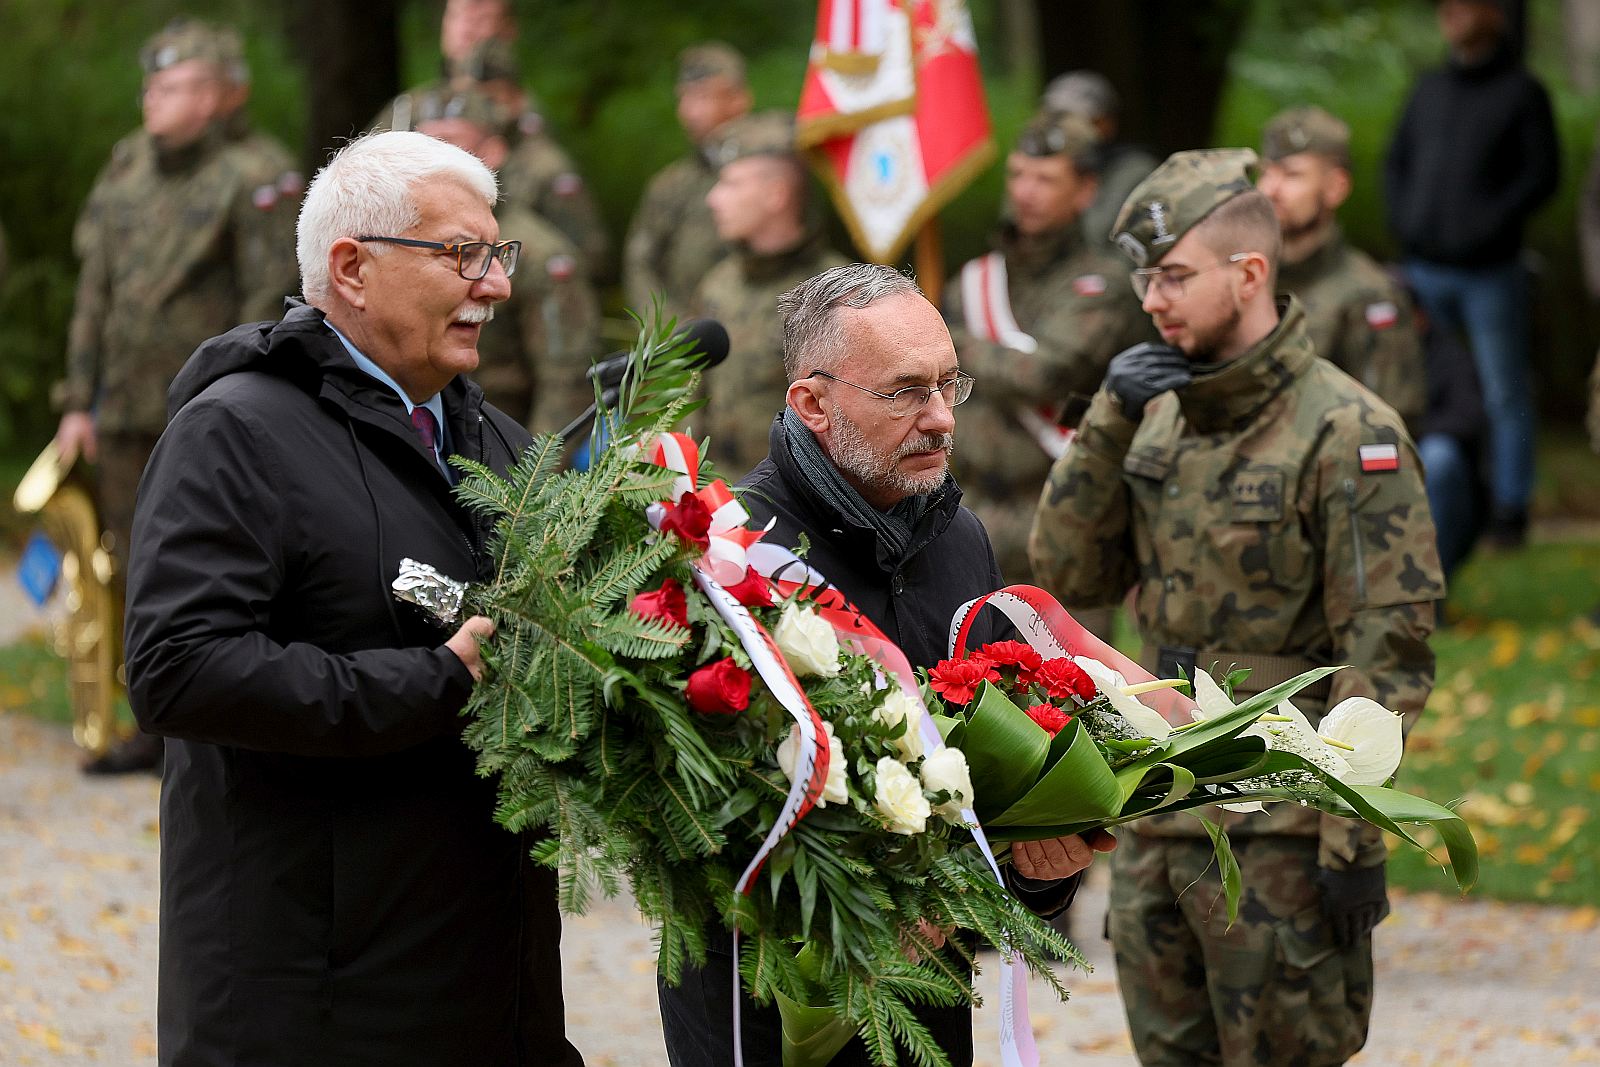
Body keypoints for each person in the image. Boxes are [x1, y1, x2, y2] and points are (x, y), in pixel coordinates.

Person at [121, 130, 583, 1066]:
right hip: (309, 997)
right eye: (463, 254)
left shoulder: (499, 443)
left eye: (498, 253)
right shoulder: (235, 432)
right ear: (352, 269)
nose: (497, 284)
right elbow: (176, 670)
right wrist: (436, 681)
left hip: (490, 990)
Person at [1030, 150, 1444, 1066]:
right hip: (1158, 809)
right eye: (1144, 279)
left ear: (1249, 272)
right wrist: (1106, 421)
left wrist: (1352, 836)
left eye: (1175, 276)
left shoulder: (1347, 432)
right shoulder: (1154, 412)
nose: (1153, 300)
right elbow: (1066, 573)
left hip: (1280, 829)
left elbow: (1388, 646)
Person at [659, 262, 1114, 1067]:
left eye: (948, 384)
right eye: (905, 392)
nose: (940, 417)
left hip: (925, 1004)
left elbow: (980, 781)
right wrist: (867, 898)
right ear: (813, 402)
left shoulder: (958, 536)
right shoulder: (730, 552)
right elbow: (688, 820)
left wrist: (1042, 863)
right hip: (767, 1007)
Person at [55, 19, 301, 775]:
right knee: (135, 562)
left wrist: (243, 395)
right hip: (126, 407)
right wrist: (77, 398)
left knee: (217, 561)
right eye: (154, 86)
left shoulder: (255, 173)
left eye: (178, 86)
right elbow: (95, 290)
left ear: (219, 95)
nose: (156, 99)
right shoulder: (127, 167)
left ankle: (220, 722)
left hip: (209, 407)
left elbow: (269, 296)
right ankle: (150, 722)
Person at [942, 111, 1152, 585]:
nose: (1025, 192)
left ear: (1085, 190)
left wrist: (948, 339)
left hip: (1059, 519)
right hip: (967, 509)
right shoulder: (973, 281)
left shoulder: (1102, 284)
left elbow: (1042, 375)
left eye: (1045, 179)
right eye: (1018, 174)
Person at [1384, 0, 1560, 548]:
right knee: (1414, 379)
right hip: (1423, 265)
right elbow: (1397, 160)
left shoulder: (1523, 92)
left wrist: (1488, 225)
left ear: (1495, 14)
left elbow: (1541, 174)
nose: (1451, 13)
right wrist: (1406, 220)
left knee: (1503, 388)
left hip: (1491, 271)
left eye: (1466, 4)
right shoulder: (1429, 88)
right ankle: (1418, 489)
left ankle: (1510, 506)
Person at [407, 86, 601, 432]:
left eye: (450, 144)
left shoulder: (540, 255)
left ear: (493, 152)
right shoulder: (399, 240)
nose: (435, 161)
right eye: (425, 146)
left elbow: (566, 382)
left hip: (502, 439)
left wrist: (533, 464)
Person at [371, 2, 609, 283]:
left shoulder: (524, 123)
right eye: (459, 16)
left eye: (481, 17)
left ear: (508, 30)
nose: (468, 27)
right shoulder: (408, 109)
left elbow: (582, 255)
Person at [694, 112, 846, 477]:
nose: (714, 198)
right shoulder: (718, 283)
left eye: (731, 183)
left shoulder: (836, 294)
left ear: (776, 194)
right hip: (716, 495)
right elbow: (693, 396)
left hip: (796, 501)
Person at [1260, 106, 1426, 426]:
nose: (1270, 189)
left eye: (1292, 175)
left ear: (1335, 188)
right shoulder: (1242, 280)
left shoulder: (1370, 294)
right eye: (1266, 172)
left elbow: (1388, 422)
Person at [623, 42, 752, 321]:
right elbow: (640, 265)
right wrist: (669, 332)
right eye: (684, 98)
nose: (689, 112)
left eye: (702, 97)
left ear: (738, 99)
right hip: (687, 335)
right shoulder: (670, 184)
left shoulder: (774, 175)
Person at [1039, 70, 1158, 249]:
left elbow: (1098, 235)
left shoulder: (1133, 170)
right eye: (1054, 118)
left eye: (1075, 120)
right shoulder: (1037, 165)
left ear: (1105, 123)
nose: (1062, 129)